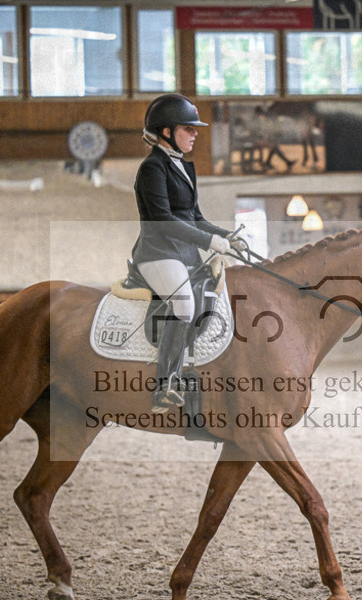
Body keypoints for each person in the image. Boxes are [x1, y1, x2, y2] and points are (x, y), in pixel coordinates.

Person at [125, 93, 246, 413]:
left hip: (183, 254)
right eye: (188, 129)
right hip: (158, 253)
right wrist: (208, 243)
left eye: (195, 129)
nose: (195, 134)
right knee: (183, 302)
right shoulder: (152, 168)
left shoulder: (184, 168)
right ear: (167, 132)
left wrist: (226, 237)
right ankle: (165, 385)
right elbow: (163, 221)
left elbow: (195, 218)